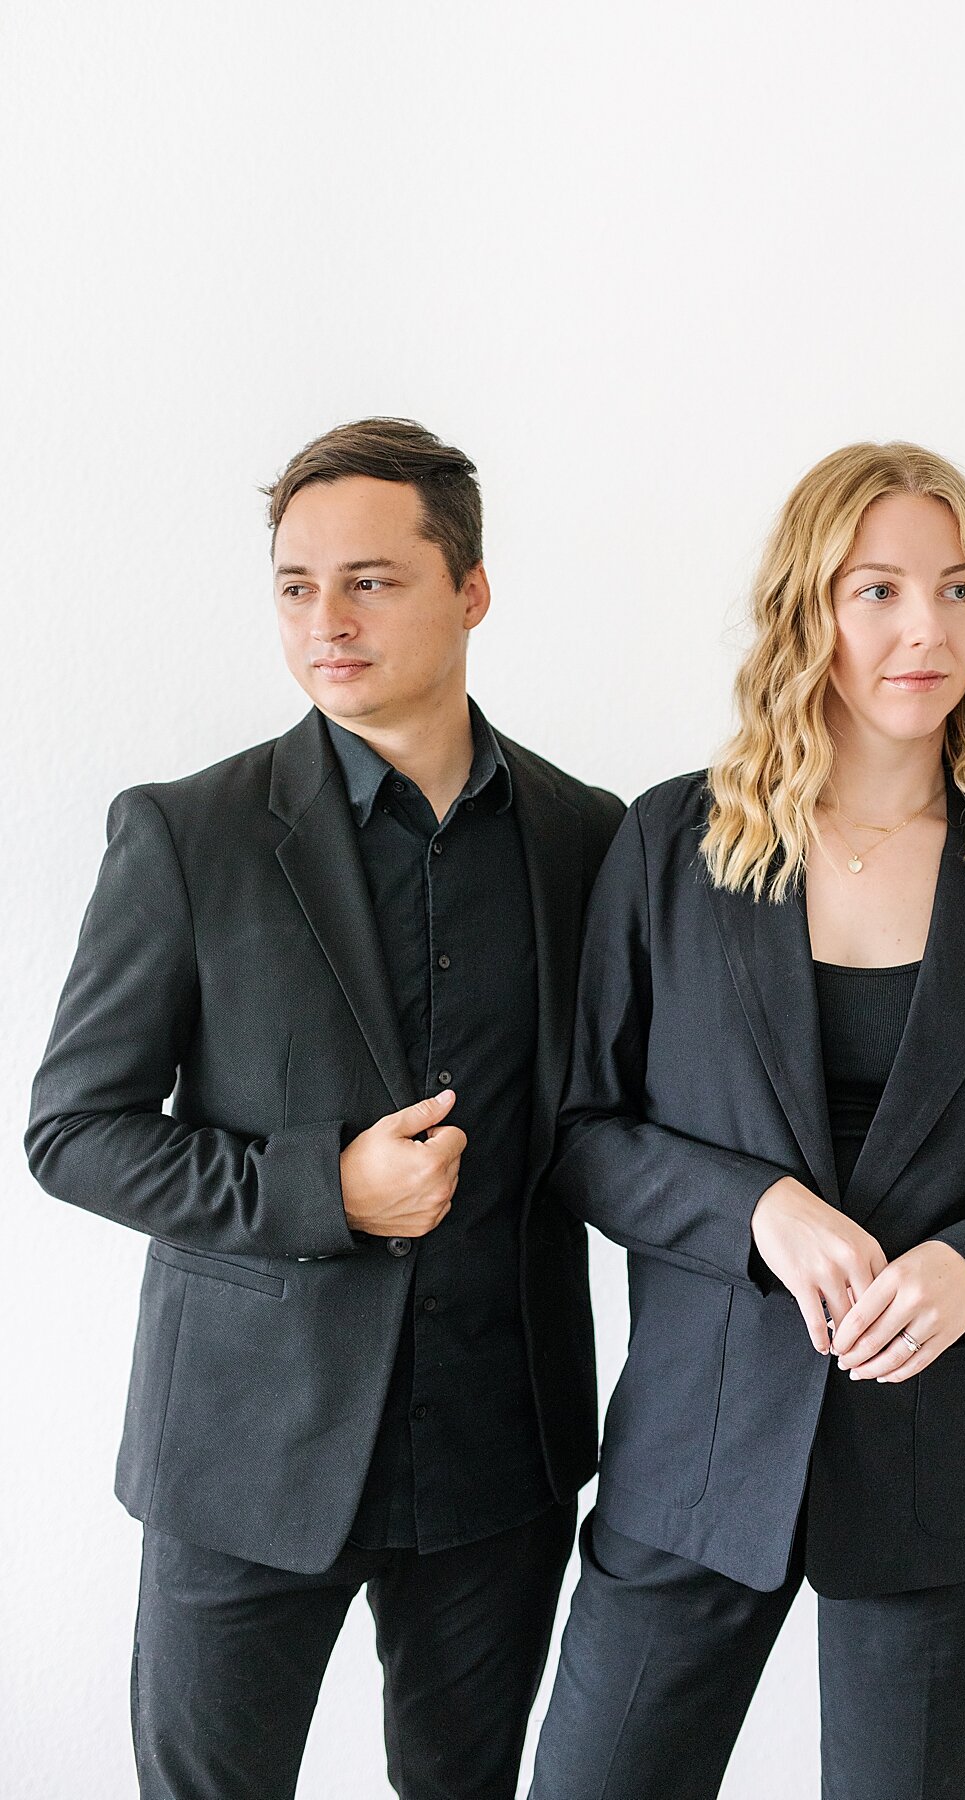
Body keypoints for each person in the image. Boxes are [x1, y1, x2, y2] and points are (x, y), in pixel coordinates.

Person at [528, 441, 965, 1800]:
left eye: (960, 591)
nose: (924, 628)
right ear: (806, 611)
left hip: (951, 1473)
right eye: (876, 589)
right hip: (694, 1456)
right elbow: (581, 1131)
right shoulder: (670, 849)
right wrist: (759, 1207)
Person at [26, 417, 624, 1800]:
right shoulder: (188, 834)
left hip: (500, 1456)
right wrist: (325, 1191)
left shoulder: (587, 837)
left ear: (471, 590)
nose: (325, 621)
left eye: (370, 580)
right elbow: (74, 1129)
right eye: (296, 585)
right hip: (244, 1462)